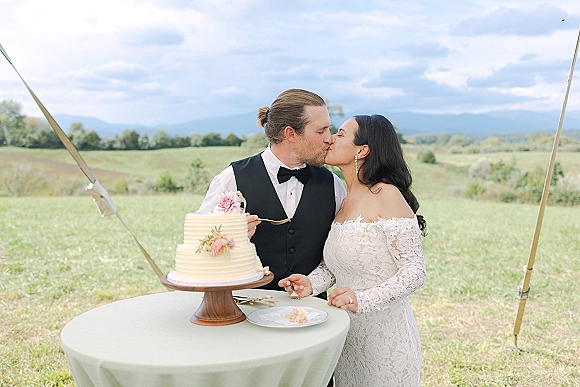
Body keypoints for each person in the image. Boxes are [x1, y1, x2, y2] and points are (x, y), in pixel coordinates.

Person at [279, 114, 427, 387]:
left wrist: (361, 300)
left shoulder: (386, 194)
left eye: (341, 134)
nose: (330, 139)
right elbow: (335, 266)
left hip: (385, 338)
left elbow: (415, 271)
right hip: (347, 336)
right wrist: (309, 284)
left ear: (362, 150)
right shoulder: (344, 199)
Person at [197, 89, 348, 292]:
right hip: (245, 312)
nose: (329, 138)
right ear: (290, 134)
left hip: (312, 316)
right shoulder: (231, 179)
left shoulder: (333, 185)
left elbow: (339, 255)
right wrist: (232, 238)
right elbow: (198, 250)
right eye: (321, 131)